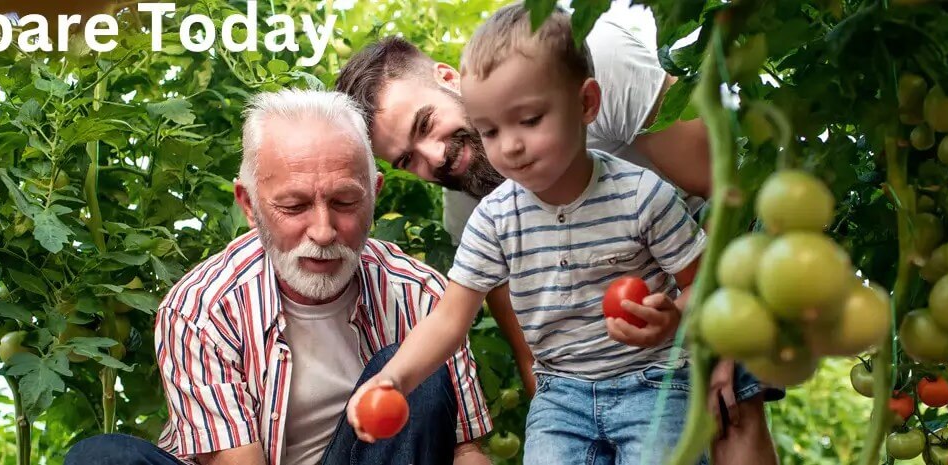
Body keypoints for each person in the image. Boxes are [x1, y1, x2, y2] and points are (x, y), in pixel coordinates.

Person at [334, 5, 780, 464]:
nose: (434, 156)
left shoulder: (593, 63)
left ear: (450, 79)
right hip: (572, 385)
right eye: (407, 159)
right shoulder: (480, 214)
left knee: (731, 411)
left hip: (695, 285)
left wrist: (710, 335)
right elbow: (513, 343)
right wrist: (396, 378)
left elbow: (730, 194)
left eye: (425, 125)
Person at [62, 89, 492, 465]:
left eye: (345, 202)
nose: (323, 232)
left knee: (408, 374)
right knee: (100, 458)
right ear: (249, 205)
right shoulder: (200, 308)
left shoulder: (422, 297)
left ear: (374, 194)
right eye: (293, 207)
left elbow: (464, 451)